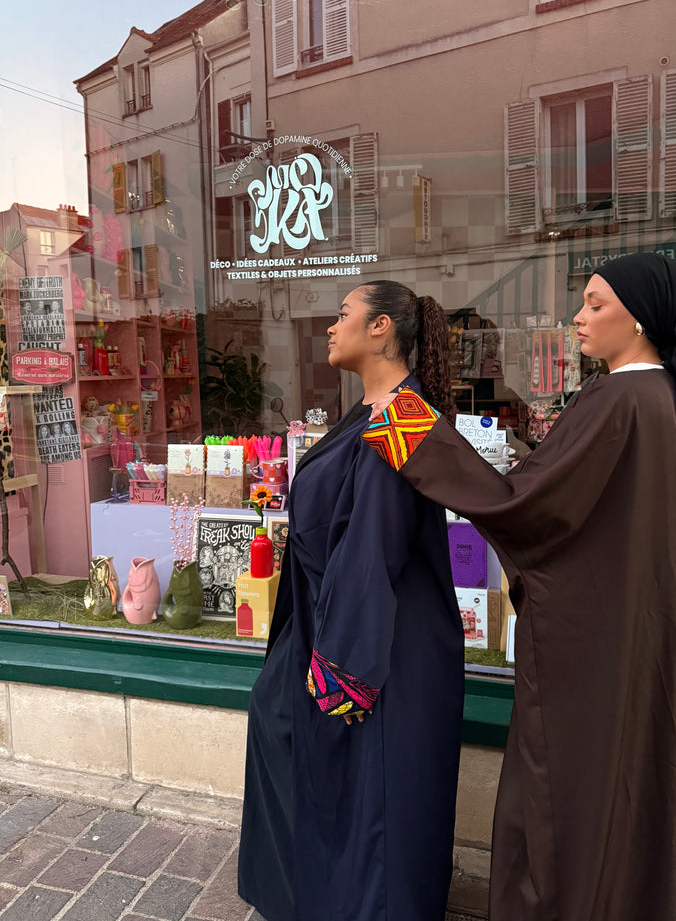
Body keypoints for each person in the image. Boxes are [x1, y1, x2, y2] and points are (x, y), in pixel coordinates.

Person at [362, 253, 676, 921]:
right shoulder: (674, 400)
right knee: (631, 788)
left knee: (565, 798)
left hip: (592, 651)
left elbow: (525, 505)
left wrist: (404, 423)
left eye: (596, 304)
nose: (578, 317)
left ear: (640, 320)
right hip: (646, 637)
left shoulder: (617, 399)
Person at [238, 281, 465, 921]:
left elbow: (375, 545)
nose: (331, 328)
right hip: (332, 618)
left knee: (375, 810)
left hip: (376, 638)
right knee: (279, 728)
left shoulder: (403, 415)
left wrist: (343, 668)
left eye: (343, 315)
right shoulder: (369, 409)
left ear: (381, 328)